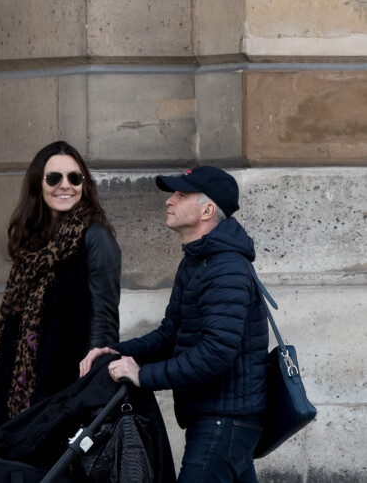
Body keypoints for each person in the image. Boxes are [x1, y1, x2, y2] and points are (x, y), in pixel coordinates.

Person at [80, 166, 269, 483]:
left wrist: (144, 376)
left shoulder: (226, 268)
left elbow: (215, 352)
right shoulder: (198, 261)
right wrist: (115, 351)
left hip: (226, 418)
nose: (170, 201)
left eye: (182, 195)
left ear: (207, 210)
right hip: (218, 415)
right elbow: (170, 334)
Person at [0, 141, 121, 430]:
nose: (65, 185)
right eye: (54, 178)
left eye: (74, 177)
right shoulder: (32, 243)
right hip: (18, 401)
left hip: (64, 395)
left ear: (84, 184)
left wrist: (92, 393)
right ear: (38, 184)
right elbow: (10, 325)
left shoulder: (96, 238)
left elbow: (104, 325)